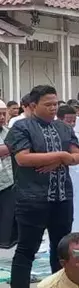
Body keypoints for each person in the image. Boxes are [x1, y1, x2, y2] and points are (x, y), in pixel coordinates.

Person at [5, 85, 79, 288]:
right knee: (26, 248)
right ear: (32, 106)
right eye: (47, 105)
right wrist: (61, 155)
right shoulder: (22, 127)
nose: (52, 108)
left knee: (61, 248)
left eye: (55, 104)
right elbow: (23, 159)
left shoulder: (63, 127)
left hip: (62, 197)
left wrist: (60, 160)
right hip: (32, 198)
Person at [56, 105, 79, 233]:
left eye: (74, 121)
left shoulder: (78, 137)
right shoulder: (55, 137)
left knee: (78, 203)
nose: (72, 124)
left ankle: (77, 233)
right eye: (68, 121)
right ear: (58, 119)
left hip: (78, 173)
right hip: (63, 174)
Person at [0, 101, 15, 249]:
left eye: (4, 114)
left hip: (8, 179)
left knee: (7, 214)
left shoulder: (8, 132)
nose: (2, 117)